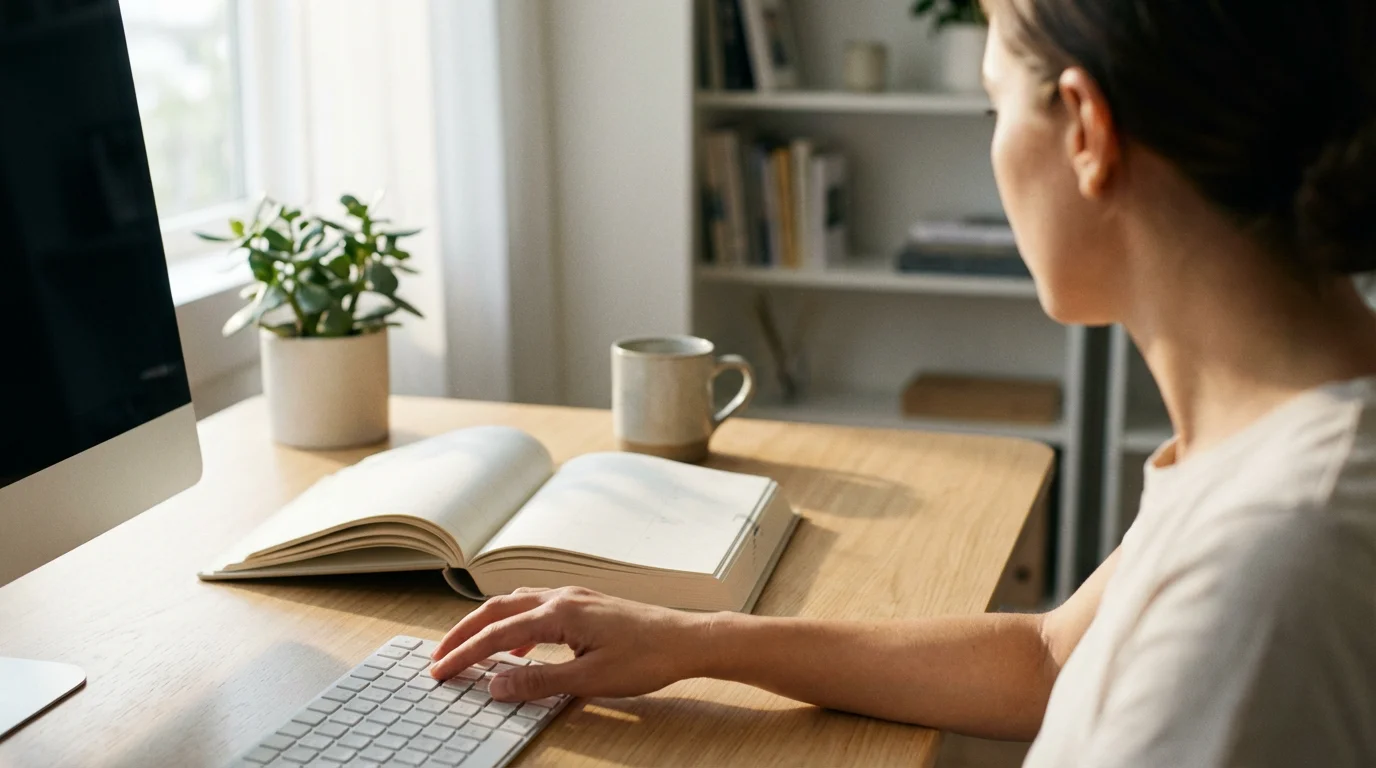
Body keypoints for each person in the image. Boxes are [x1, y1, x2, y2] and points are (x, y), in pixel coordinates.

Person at [429, 1, 1376, 764]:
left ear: (1086, 129)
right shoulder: (1276, 443)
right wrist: (695, 639)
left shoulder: (1274, 560)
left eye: (994, 104)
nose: (993, 144)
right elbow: (1047, 660)